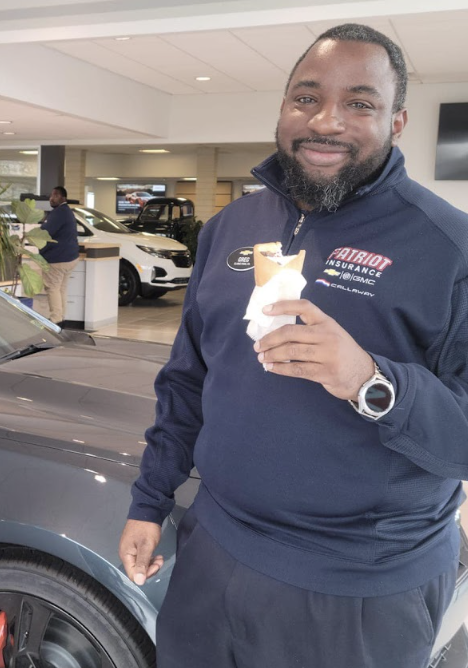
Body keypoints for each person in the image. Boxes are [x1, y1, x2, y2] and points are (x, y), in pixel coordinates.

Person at [119, 23, 468, 668]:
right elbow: (188, 381)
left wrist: (371, 381)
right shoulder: (230, 228)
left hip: (355, 589)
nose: (327, 120)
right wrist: (150, 501)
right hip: (214, 552)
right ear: (284, 110)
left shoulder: (450, 249)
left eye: (360, 103)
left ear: (396, 122)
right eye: (307, 97)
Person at [40, 186, 79, 325]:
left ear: (63, 198)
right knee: (61, 288)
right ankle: (61, 318)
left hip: (58, 258)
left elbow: (44, 232)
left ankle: (55, 319)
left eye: (55, 195)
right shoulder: (66, 211)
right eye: (51, 195)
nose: (51, 198)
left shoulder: (58, 212)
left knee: (53, 288)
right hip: (70, 257)